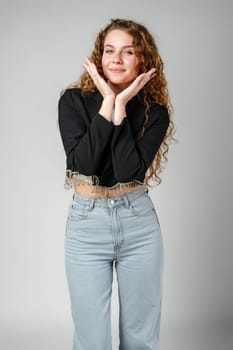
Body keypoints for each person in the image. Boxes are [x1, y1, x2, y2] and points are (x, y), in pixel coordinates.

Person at [58, 18, 175, 350]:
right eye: (109, 51)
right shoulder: (73, 101)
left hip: (138, 222)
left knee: (141, 338)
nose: (116, 60)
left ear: (142, 60)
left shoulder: (155, 113)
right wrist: (108, 102)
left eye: (128, 52)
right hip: (86, 223)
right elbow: (82, 164)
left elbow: (127, 172)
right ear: (99, 56)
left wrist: (121, 107)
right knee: (91, 339)